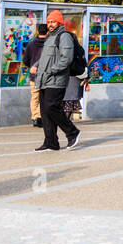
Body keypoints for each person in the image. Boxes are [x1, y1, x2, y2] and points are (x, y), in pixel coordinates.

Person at [33, 10, 81, 153]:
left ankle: (72, 132)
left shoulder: (64, 36)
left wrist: (51, 70)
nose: (50, 24)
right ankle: (51, 142)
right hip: (44, 79)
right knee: (45, 111)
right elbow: (45, 58)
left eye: (53, 22)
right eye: (48, 22)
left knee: (51, 107)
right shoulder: (50, 37)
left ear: (60, 23)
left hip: (56, 79)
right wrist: (35, 66)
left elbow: (66, 59)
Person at [22, 22, 48, 131]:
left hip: (34, 76)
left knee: (35, 97)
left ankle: (35, 117)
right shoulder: (49, 44)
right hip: (47, 76)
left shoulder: (31, 44)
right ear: (47, 32)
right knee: (45, 97)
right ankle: (41, 117)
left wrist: (32, 66)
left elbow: (25, 60)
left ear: (38, 31)